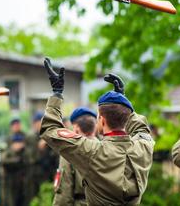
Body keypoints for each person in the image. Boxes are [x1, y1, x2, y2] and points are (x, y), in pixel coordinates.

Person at [40, 58, 154, 205]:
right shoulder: (144, 147)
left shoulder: (92, 152)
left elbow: (49, 130)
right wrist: (121, 100)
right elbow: (140, 128)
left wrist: (57, 93)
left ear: (102, 121)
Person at [53, 107, 97, 206]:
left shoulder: (69, 153)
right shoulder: (106, 149)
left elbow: (64, 192)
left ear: (76, 128)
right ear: (95, 126)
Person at [26, 112, 58, 201]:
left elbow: (55, 155)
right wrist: (40, 149)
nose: (40, 125)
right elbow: (30, 158)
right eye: (38, 122)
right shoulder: (30, 138)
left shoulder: (49, 136)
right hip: (35, 176)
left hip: (48, 174)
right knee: (35, 199)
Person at [0, 133, 30, 206]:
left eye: (20, 143)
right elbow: (4, 161)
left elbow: (28, 162)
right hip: (9, 184)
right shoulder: (8, 152)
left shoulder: (24, 152)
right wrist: (17, 160)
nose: (18, 145)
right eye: (16, 143)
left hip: (21, 185)